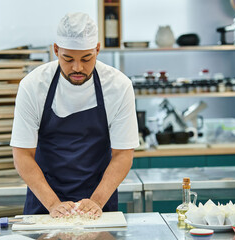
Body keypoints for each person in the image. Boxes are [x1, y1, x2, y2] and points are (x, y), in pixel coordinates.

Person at [10, 12, 139, 219]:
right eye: (67, 59)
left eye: (86, 58)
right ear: (56, 50)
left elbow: (123, 154)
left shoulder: (118, 86)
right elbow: (22, 154)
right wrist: (53, 204)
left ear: (97, 49)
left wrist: (96, 201)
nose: (77, 68)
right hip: (44, 204)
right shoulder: (33, 86)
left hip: (99, 203)